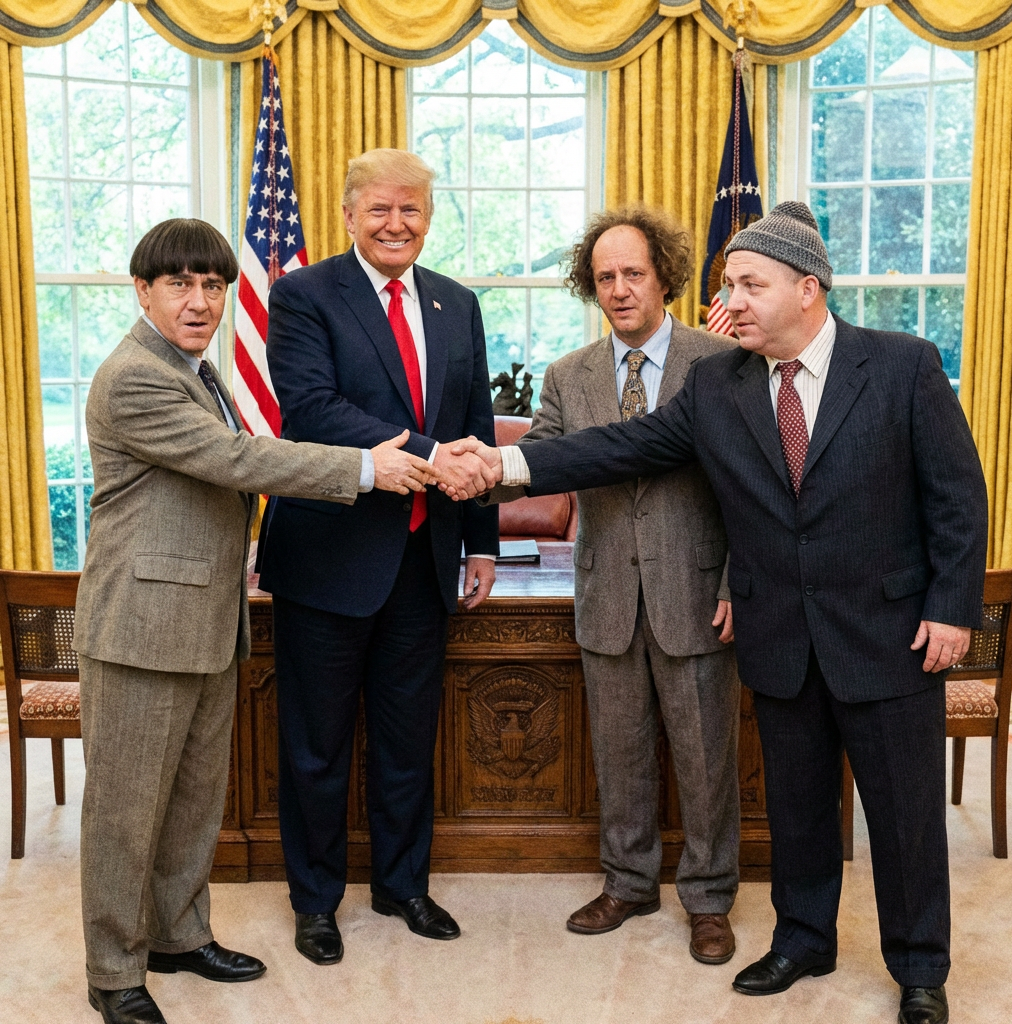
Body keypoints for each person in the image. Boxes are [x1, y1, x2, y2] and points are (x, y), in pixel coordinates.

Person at [448, 202, 987, 1024]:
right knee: (798, 807)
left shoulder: (903, 365)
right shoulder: (719, 384)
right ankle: (803, 939)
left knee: (904, 816)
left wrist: (952, 609)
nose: (727, 300)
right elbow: (620, 447)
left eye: (748, 284)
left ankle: (919, 970)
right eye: (726, 283)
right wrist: (506, 461)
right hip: (780, 636)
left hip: (885, 636)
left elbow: (957, 501)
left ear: (808, 289)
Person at [74, 219, 437, 1024]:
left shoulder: (197, 371)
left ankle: (177, 934)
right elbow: (237, 461)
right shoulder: (137, 375)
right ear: (143, 290)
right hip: (140, 630)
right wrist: (365, 466)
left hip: (201, 620)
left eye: (213, 285)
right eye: (180, 284)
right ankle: (113, 971)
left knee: (193, 804)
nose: (200, 301)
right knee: (125, 816)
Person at [257, 148, 500, 965]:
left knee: (407, 739)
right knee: (317, 745)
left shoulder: (456, 303)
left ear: (429, 219)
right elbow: (312, 408)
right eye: (381, 210)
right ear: (349, 214)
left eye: (412, 211)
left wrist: (483, 541)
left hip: (424, 560)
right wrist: (440, 453)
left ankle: (403, 886)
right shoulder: (301, 294)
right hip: (328, 559)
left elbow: (479, 419)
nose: (397, 224)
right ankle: (316, 903)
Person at [486, 206, 741, 962]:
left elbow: (749, 492)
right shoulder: (568, 376)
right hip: (605, 598)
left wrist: (737, 581)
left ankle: (708, 898)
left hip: (696, 595)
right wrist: (472, 468)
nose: (621, 289)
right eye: (605, 277)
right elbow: (538, 469)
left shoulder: (722, 363)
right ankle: (628, 883)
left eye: (634, 273)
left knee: (705, 757)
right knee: (620, 753)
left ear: (664, 275)